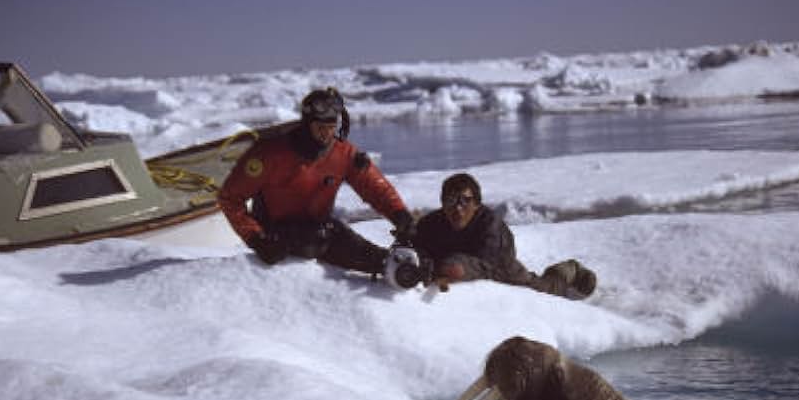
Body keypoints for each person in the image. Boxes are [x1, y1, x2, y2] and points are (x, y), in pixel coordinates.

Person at [217, 87, 414, 274]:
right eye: (320, 127)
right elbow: (230, 197)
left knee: (359, 248)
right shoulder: (268, 154)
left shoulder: (343, 153)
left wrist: (400, 215)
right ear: (306, 124)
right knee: (324, 235)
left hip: (320, 230)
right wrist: (255, 238)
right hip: (275, 235)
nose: (327, 135)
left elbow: (375, 188)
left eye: (331, 127)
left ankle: (397, 268)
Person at [411, 173, 597, 300]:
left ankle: (567, 272)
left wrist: (450, 269)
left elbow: (485, 266)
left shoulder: (490, 225)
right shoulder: (430, 224)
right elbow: (414, 249)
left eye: (465, 201)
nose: (457, 209)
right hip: (455, 264)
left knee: (543, 290)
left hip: (503, 267)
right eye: (451, 201)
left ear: (476, 204)